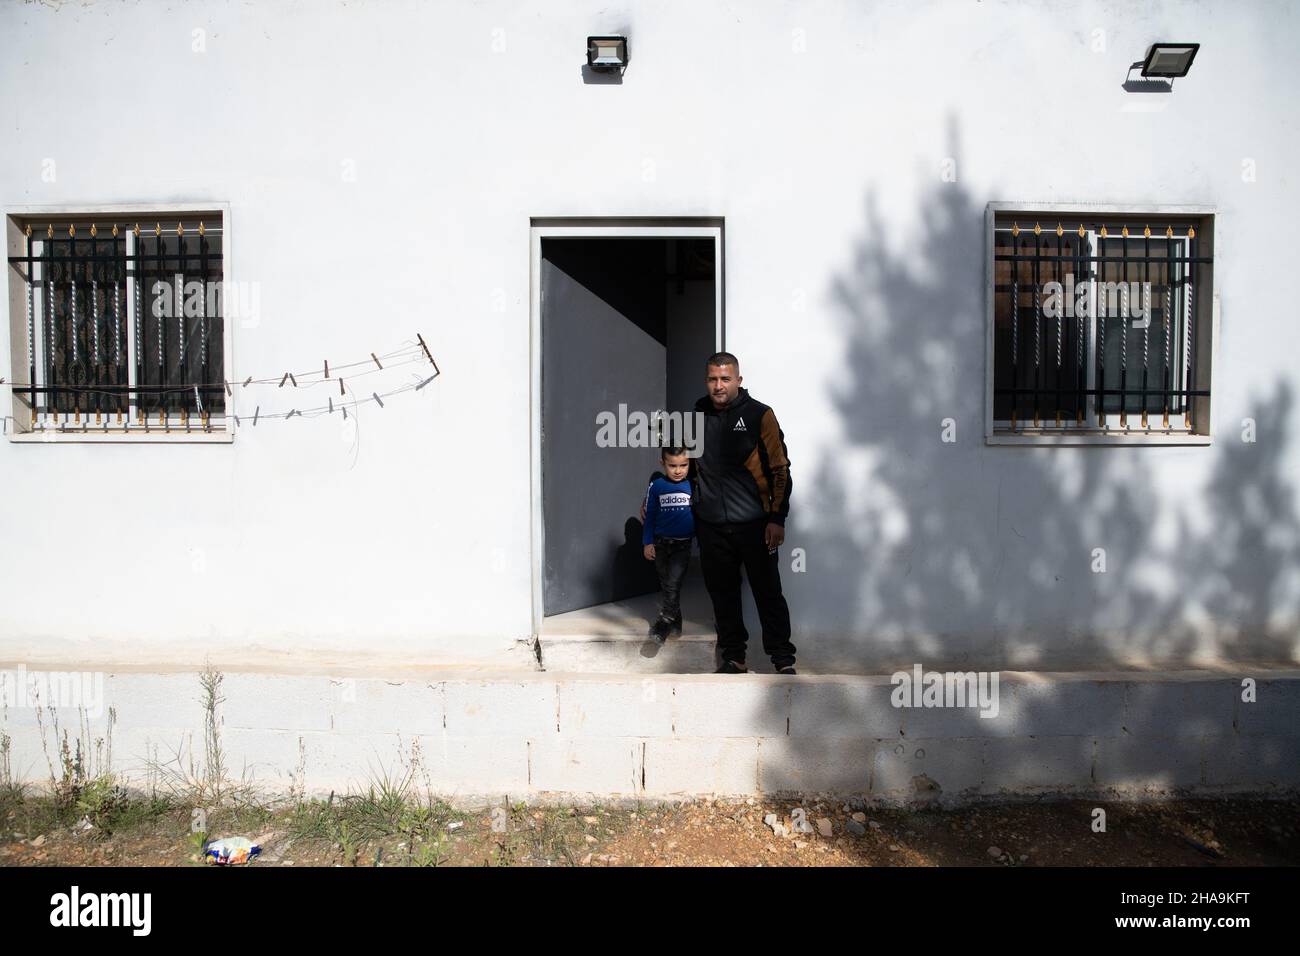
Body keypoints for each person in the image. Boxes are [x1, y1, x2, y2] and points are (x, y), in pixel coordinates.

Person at [690, 352, 795, 674]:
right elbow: (685, 466)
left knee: (768, 593)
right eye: (712, 379)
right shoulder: (696, 414)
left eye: (725, 379)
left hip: (755, 525)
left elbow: (780, 469)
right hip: (711, 526)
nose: (718, 386)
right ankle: (734, 657)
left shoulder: (760, 414)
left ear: (738, 380)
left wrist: (777, 518)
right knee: (723, 595)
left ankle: (782, 660)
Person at [641, 446, 695, 643]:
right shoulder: (656, 486)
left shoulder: (693, 485)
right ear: (663, 464)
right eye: (673, 466)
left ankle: (664, 623)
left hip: (683, 546)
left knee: (673, 583)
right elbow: (650, 517)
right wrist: (647, 543)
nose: (678, 470)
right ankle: (676, 623)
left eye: (684, 465)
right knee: (667, 585)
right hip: (661, 545)